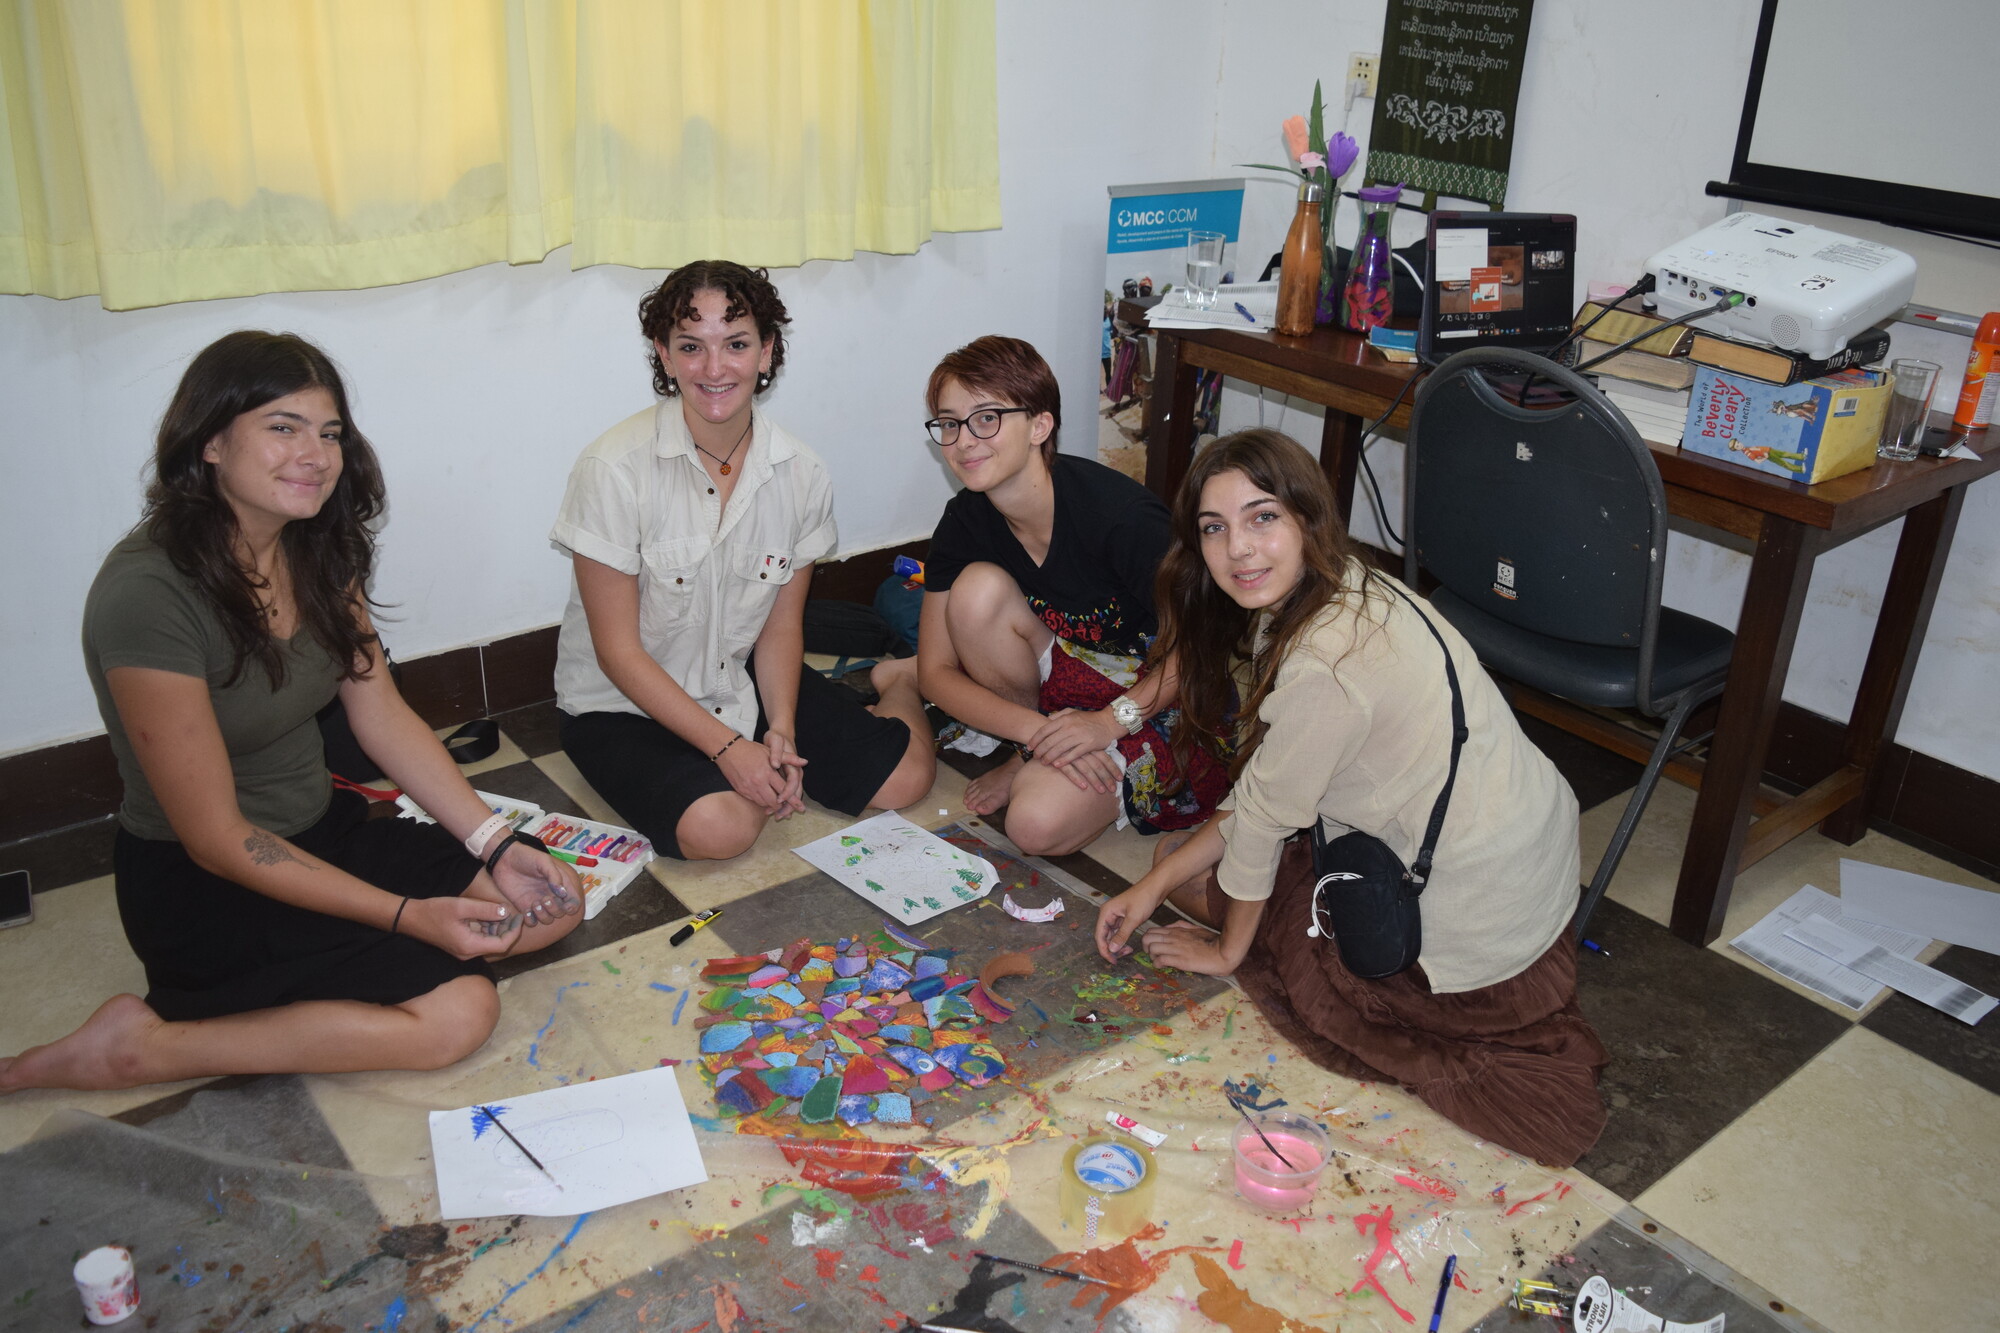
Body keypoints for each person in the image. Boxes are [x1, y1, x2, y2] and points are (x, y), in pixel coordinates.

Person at [1, 332, 584, 1095]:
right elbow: (218, 839)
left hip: (323, 829)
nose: (315, 453)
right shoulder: (147, 595)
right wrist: (406, 916)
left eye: (330, 431)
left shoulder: (315, 547)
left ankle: (339, 969)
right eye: (283, 427)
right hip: (205, 882)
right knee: (459, 1013)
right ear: (210, 440)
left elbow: (383, 717)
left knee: (551, 900)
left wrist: (496, 841)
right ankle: (139, 1048)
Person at [1092, 429, 1607, 1167]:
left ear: (1308, 518)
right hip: (1529, 864)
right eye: (1215, 527)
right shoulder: (1360, 584)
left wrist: (1226, 949)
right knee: (1184, 862)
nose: (1238, 548)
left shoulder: (1325, 666)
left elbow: (1263, 816)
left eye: (1262, 516)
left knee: (1204, 872)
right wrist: (1150, 885)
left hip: (1473, 919)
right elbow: (1271, 786)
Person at [552, 261, 933, 861]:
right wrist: (731, 749)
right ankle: (716, 761)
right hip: (620, 704)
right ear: (663, 353)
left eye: (735, 344)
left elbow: (782, 624)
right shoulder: (612, 470)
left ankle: (900, 680)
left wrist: (779, 727)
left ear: (766, 351)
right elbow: (617, 654)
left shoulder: (801, 472)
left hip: (738, 677)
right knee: (724, 830)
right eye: (690, 347)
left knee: (906, 779)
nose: (714, 368)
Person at [915, 336, 1226, 856]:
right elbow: (936, 671)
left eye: (986, 418)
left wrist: (1108, 723)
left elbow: (1200, 652)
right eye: (949, 423)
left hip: (1165, 694)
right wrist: (1040, 735)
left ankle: (1051, 761)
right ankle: (1031, 753)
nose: (964, 441)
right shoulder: (965, 519)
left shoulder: (1122, 521)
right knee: (975, 592)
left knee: (1034, 825)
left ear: (1040, 425)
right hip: (1071, 682)